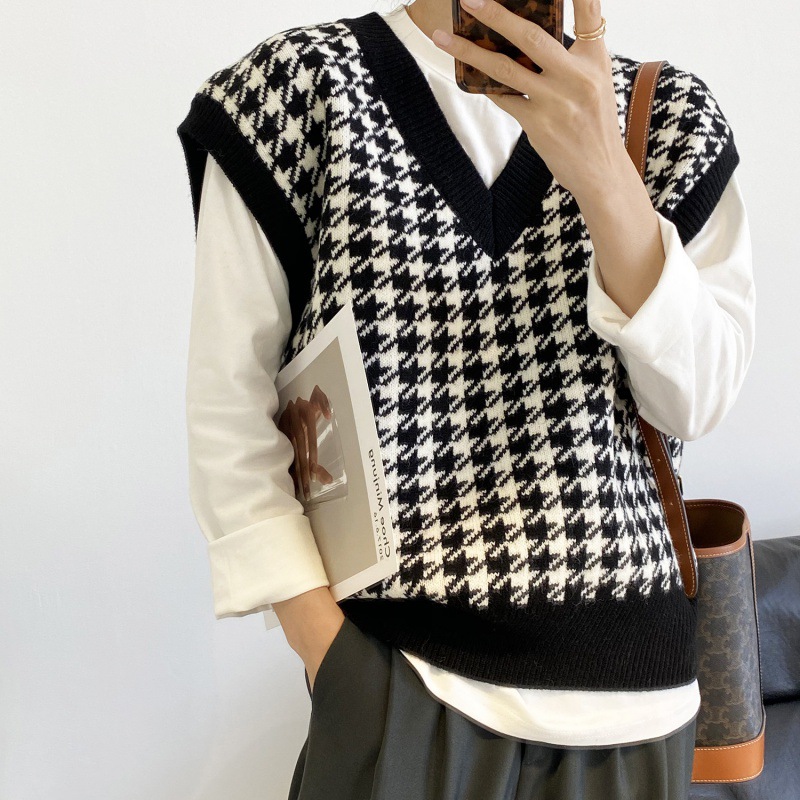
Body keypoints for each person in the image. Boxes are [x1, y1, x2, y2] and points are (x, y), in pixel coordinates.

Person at [176, 0, 756, 796]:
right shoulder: (294, 95)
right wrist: (331, 654)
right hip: (402, 690)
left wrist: (604, 173)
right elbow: (229, 409)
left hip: (634, 712)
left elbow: (699, 400)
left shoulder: (671, 118)